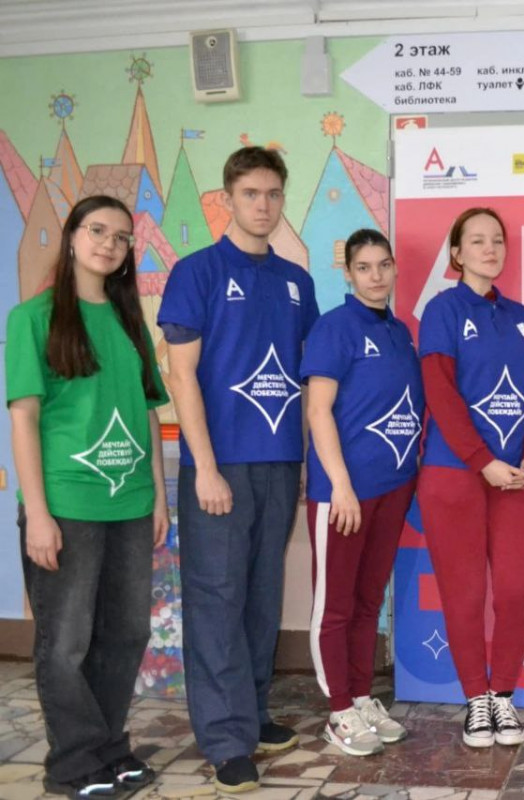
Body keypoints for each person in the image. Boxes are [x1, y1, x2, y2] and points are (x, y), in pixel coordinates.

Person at [158, 147, 318, 792]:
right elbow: (181, 375)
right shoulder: (196, 272)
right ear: (228, 199)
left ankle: (251, 713)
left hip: (278, 463)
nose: (263, 205)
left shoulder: (297, 281)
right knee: (217, 598)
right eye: (251, 193)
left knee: (259, 595)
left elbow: (307, 378)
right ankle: (226, 740)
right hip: (218, 465)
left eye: (273, 193)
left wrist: (302, 461)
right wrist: (203, 467)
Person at [7, 195, 169, 799]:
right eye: (97, 230)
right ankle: (73, 763)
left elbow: (148, 415)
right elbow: (24, 418)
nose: (109, 244)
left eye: (122, 237)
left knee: (126, 634)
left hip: (130, 505)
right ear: (72, 236)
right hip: (67, 507)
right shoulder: (32, 318)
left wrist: (158, 498)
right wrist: (37, 514)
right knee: (67, 641)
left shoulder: (129, 322)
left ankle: (107, 748)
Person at [417, 207, 524, 748]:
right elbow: (440, 393)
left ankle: (503, 697)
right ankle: (476, 699)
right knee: (465, 594)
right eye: (477, 241)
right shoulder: (441, 311)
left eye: (497, 240)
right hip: (454, 475)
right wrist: (480, 460)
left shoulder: (519, 316)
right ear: (456, 253)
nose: (490, 249)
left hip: (513, 478)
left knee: (514, 591)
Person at [301, 230, 423, 756]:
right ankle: (338, 712)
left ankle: (360, 696)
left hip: (392, 489)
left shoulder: (399, 331)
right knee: (335, 605)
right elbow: (317, 410)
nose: (376, 276)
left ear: (394, 269)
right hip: (344, 495)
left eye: (384, 265)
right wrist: (341, 487)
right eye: (365, 267)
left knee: (369, 600)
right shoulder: (334, 328)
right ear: (348, 273)